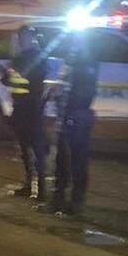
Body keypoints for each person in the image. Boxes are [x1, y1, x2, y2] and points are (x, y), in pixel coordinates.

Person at [51, 36, 99, 216]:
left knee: (77, 161)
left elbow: (85, 93)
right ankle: (59, 198)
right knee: (62, 160)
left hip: (77, 116)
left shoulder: (86, 63)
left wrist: (68, 102)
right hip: (67, 116)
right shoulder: (71, 61)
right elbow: (64, 86)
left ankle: (76, 202)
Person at [1, 25, 49, 201]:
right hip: (28, 109)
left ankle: (38, 189)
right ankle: (33, 187)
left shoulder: (27, 58)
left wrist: (9, 70)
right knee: (29, 150)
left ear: (28, 38)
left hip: (29, 110)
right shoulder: (35, 57)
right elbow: (10, 80)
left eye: (22, 38)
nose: (21, 41)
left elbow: (8, 80)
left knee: (32, 151)